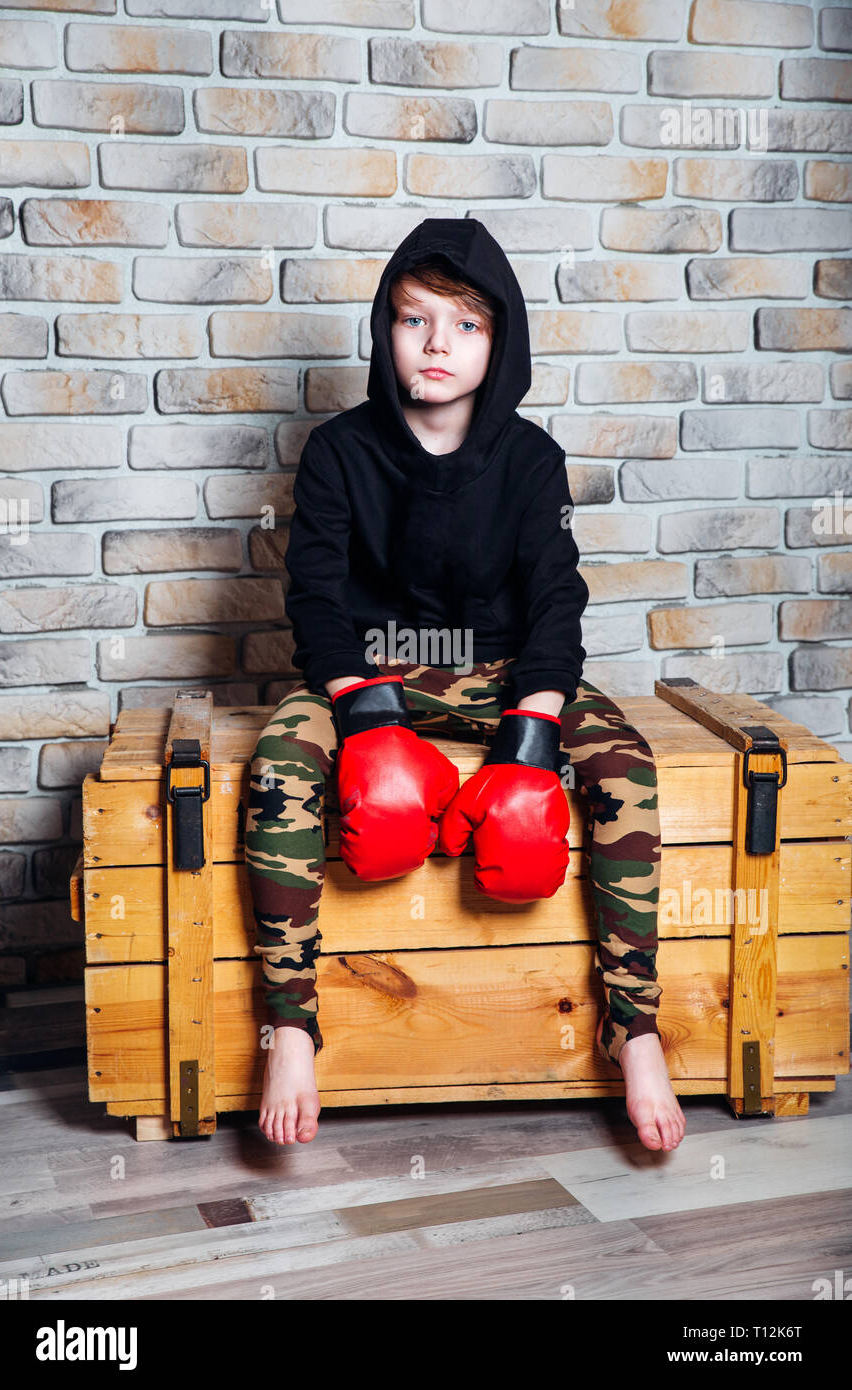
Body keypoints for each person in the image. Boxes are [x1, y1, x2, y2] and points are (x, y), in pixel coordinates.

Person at [244, 217, 686, 1154]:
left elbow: (558, 600)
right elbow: (314, 600)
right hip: (369, 669)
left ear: (501, 343)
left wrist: (532, 730)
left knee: (626, 768)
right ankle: (289, 1023)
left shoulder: (531, 459)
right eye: (416, 319)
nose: (438, 343)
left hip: (500, 671)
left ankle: (634, 1025)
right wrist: (364, 716)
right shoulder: (337, 451)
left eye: (467, 325)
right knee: (280, 767)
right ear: (386, 330)